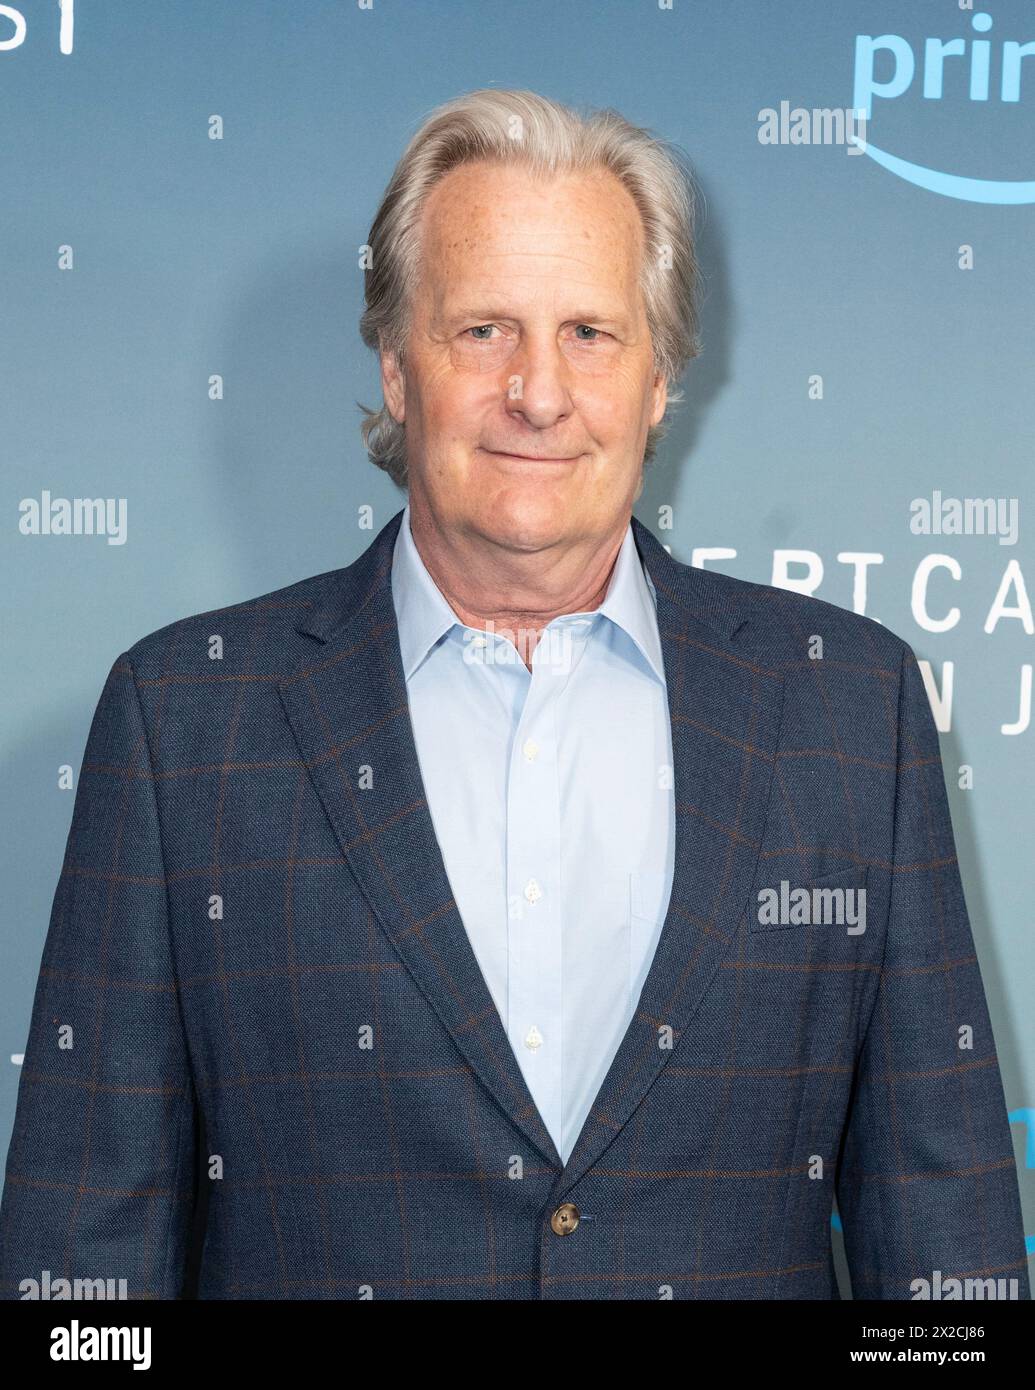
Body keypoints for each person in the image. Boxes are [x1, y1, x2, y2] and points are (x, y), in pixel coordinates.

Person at [1, 88, 1027, 1300]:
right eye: (484, 330)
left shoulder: (853, 711)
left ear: (659, 382)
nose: (539, 393)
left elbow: (946, 1255)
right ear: (395, 368)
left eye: (592, 333)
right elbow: (80, 1281)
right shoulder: (184, 723)